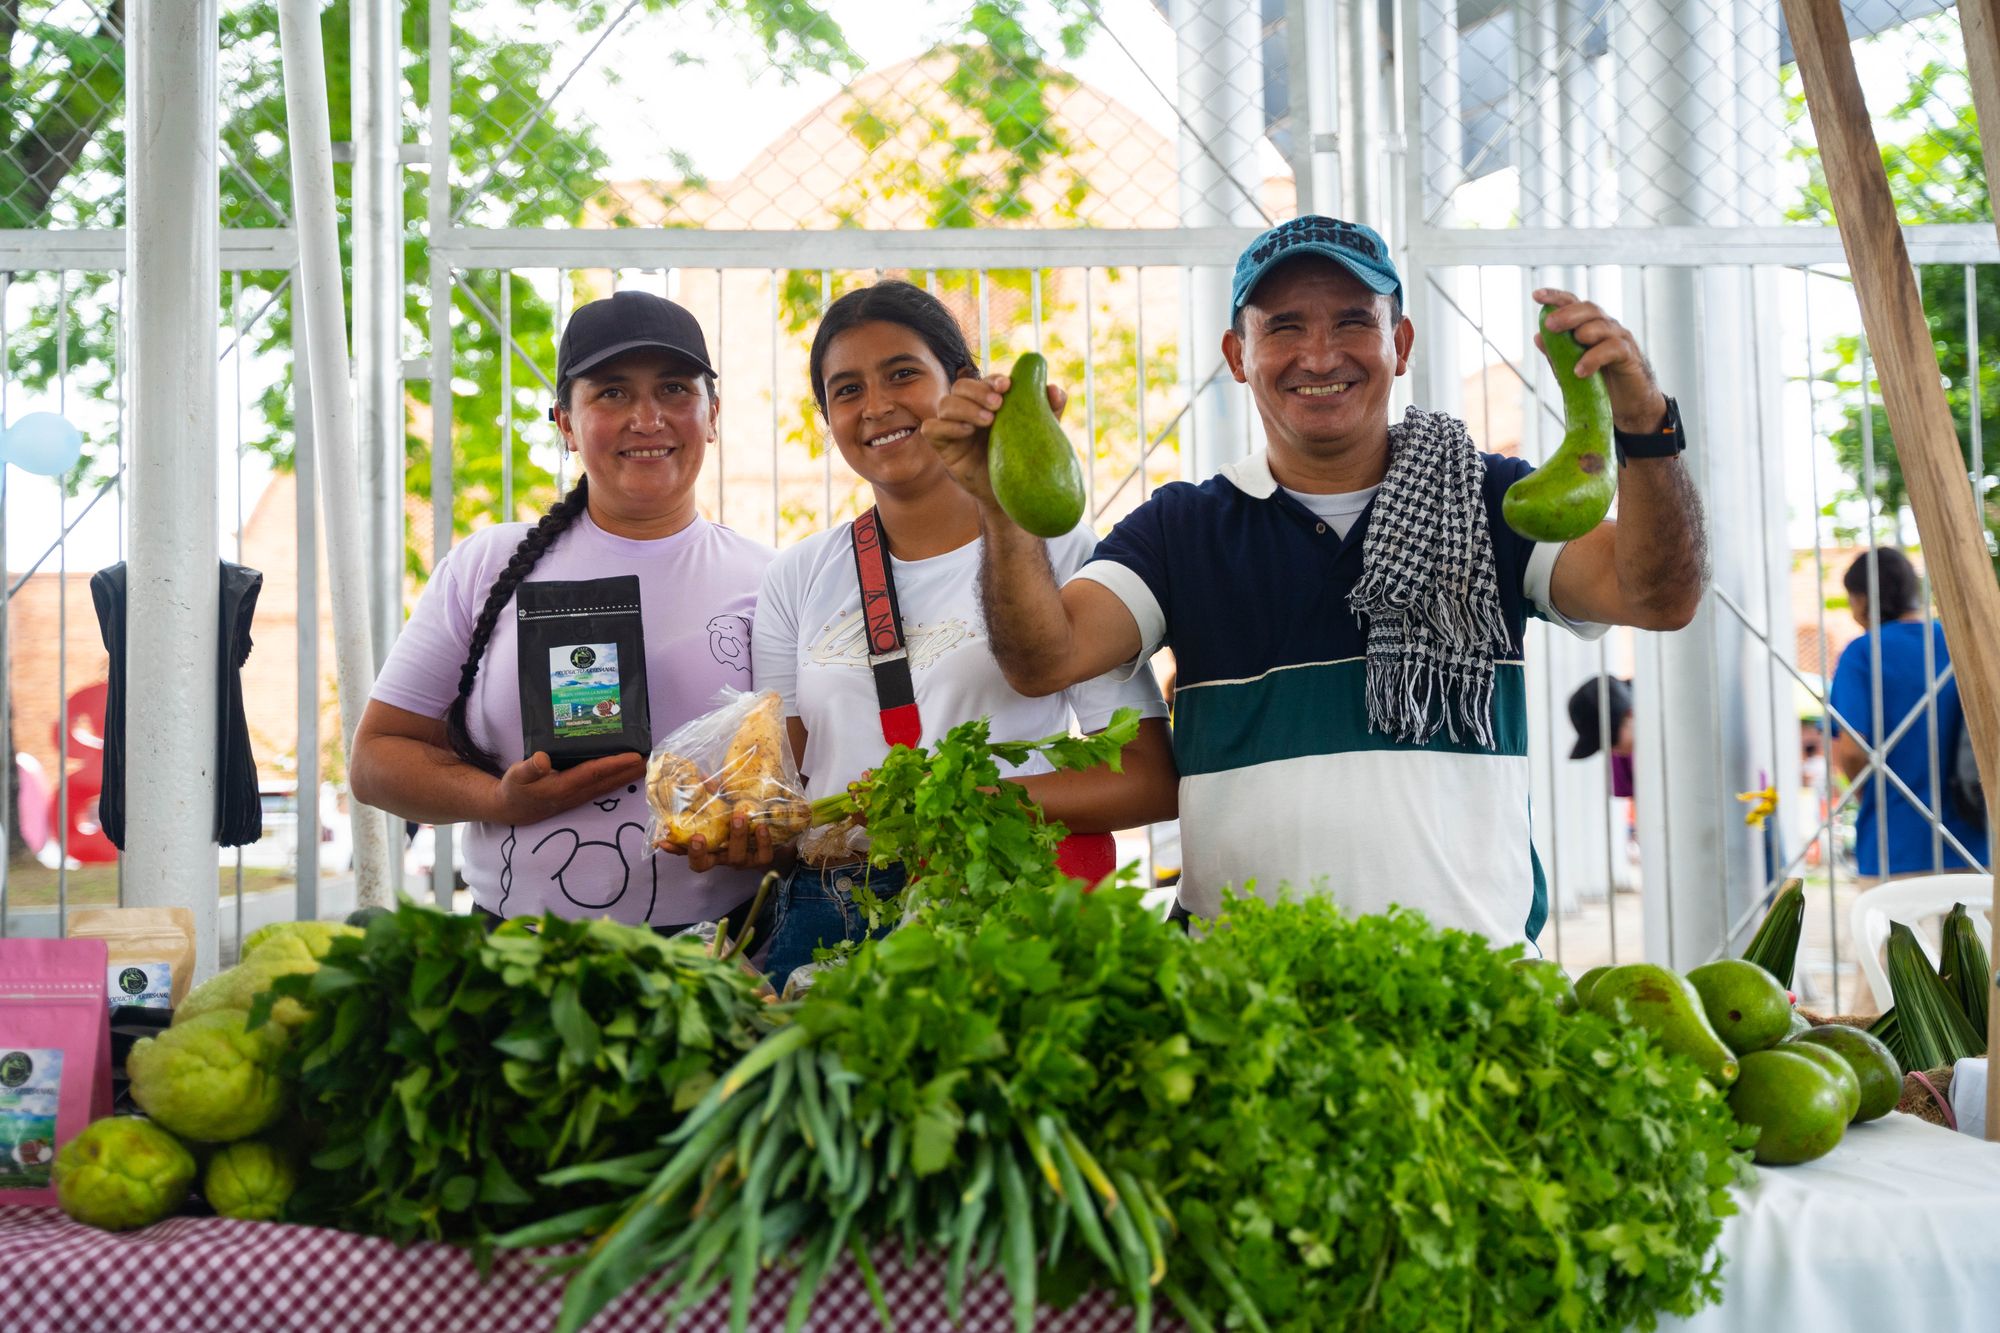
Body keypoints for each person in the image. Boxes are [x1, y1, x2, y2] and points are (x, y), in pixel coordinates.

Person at [923, 215, 1707, 945]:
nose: (1320, 354)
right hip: (1239, 995)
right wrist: (1002, 511)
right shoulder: (1181, 529)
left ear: (1400, 342)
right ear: (1238, 356)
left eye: (1353, 322)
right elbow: (1044, 659)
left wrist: (1646, 427)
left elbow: (1658, 597)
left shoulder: (1488, 499)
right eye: (1285, 327)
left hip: (1470, 978)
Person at [748, 280, 1178, 983]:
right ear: (827, 416)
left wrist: (964, 807)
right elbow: (784, 801)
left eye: (903, 374)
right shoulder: (796, 575)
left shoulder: (1051, 544)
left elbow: (1147, 780)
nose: (878, 406)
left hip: (996, 900)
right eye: (846, 390)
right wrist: (738, 826)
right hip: (830, 915)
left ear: (965, 387)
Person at [350, 291, 778, 931]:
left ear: (712, 415)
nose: (647, 418)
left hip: (722, 954)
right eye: (611, 392)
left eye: (673, 390)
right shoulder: (487, 564)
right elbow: (377, 760)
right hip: (519, 960)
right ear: (565, 423)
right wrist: (498, 799)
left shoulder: (771, 579)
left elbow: (805, 773)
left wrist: (768, 832)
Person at [1828, 547, 1987, 885]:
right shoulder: (1959, 643)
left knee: (1891, 938)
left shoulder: (1863, 652)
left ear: (1862, 598)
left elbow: (1853, 749)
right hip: (1972, 842)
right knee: (1972, 939)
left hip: (1893, 844)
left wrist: (1863, 791)